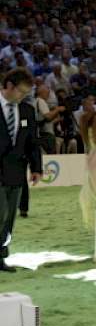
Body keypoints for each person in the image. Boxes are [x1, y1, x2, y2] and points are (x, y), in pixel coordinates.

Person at [0, 69, 43, 272]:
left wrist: (37, 167)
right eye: (21, 91)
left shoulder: (26, 110)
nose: (23, 96)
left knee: (9, 219)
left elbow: (32, 142)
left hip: (16, 172)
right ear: (8, 86)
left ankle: (1, 257)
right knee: (1, 213)